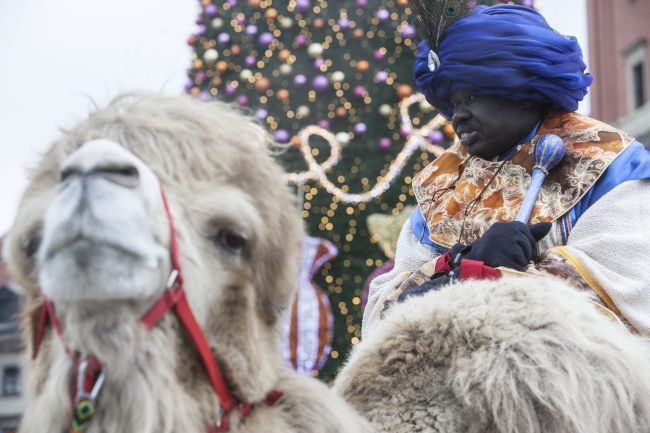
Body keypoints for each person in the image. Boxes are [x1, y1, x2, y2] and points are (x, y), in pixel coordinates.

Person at [362, 3, 650, 339]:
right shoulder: (440, 189)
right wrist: (460, 266)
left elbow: (631, 300)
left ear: (522, 91)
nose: (458, 116)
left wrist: (500, 276)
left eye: (471, 96)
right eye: (453, 103)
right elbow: (380, 319)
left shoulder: (609, 163)